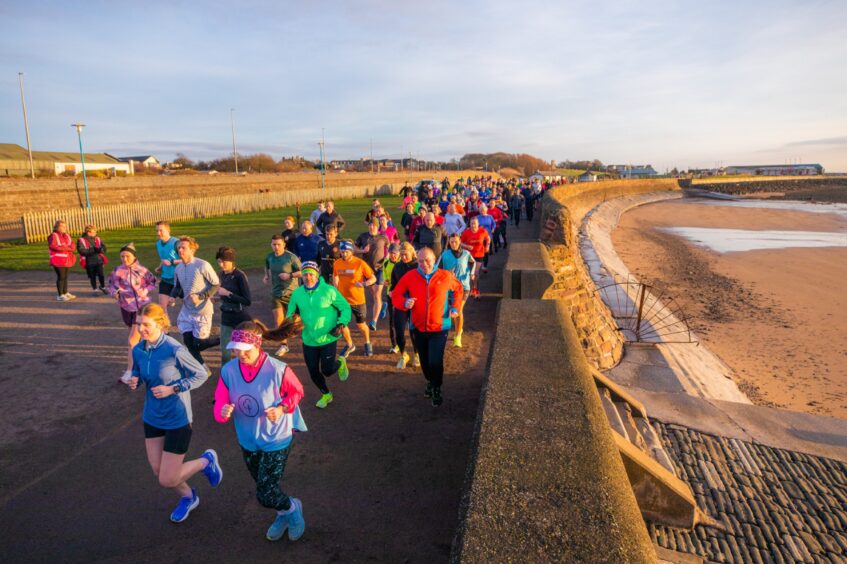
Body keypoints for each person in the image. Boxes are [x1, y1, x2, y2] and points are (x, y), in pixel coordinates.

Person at [128, 303, 223, 524]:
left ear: (160, 324)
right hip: (152, 417)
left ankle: (205, 462)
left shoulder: (174, 349)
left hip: (177, 419)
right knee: (158, 470)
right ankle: (189, 497)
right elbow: (139, 372)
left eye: (146, 325)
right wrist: (135, 379)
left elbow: (201, 374)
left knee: (167, 478)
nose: (141, 329)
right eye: (139, 324)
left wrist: (174, 388)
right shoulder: (138, 349)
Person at [214, 319, 307, 541]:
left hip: (276, 438)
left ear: (257, 345)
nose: (240, 354)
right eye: (236, 350)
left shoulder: (278, 369)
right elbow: (219, 402)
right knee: (265, 486)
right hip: (247, 439)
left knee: (265, 493)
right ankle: (283, 513)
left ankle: (293, 509)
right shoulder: (228, 370)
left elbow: (297, 392)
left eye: (244, 350)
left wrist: (283, 408)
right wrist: (223, 411)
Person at [391, 248, 464, 406]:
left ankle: (436, 387)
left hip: (440, 327)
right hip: (418, 328)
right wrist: (404, 302)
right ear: (417, 260)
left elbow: (458, 289)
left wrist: (455, 307)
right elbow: (396, 294)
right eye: (421, 260)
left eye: (428, 260)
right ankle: (430, 382)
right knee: (424, 362)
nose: (424, 264)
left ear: (435, 259)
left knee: (435, 361)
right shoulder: (409, 277)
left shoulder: (445, 276)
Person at [286, 261, 351, 408]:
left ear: (316, 275)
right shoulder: (297, 294)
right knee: (313, 372)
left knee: (327, 370)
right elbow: (290, 313)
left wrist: (341, 324)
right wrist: (291, 321)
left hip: (328, 337)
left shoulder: (329, 290)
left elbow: (345, 307)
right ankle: (326, 394)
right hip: (309, 339)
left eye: (311, 274)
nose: (308, 277)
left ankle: (341, 362)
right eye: (305, 274)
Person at [108, 242, 158, 384]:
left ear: (134, 256)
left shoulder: (142, 270)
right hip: (126, 308)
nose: (124, 259)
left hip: (141, 309)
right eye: (122, 256)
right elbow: (110, 285)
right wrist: (114, 293)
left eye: (127, 256)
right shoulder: (117, 271)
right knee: (141, 340)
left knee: (132, 341)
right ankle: (147, 363)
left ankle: (130, 371)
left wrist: (145, 290)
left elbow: (153, 282)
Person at [169, 236, 221, 371]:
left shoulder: (202, 265)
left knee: (199, 344)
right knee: (188, 343)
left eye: (183, 247)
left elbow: (215, 284)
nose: (180, 249)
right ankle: (204, 369)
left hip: (202, 311)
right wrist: (173, 297)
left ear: (192, 250)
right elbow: (177, 286)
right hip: (186, 310)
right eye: (179, 247)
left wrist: (201, 297)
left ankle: (223, 338)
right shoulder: (178, 268)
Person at [333, 240, 376, 357]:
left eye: (346, 251)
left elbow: (373, 278)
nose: (344, 254)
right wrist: (335, 290)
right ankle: (350, 344)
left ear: (351, 251)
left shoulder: (360, 263)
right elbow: (335, 276)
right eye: (342, 251)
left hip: (358, 300)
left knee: (361, 325)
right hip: (342, 300)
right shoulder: (337, 263)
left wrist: (364, 284)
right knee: (342, 324)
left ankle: (367, 342)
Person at [263, 234, 302, 356]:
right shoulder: (269, 257)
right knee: (278, 320)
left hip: (292, 294)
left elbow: (302, 272)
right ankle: (283, 345)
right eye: (274, 244)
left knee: (296, 321)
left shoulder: (291, 257)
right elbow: (267, 267)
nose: (276, 247)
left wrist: (289, 275)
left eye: (279, 244)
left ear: (284, 244)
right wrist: (266, 276)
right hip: (276, 294)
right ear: (271, 244)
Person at [215, 246, 252, 365]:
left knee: (244, 349)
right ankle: (226, 376)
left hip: (240, 318)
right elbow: (223, 295)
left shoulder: (239, 276)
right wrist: (216, 298)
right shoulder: (221, 275)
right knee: (225, 351)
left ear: (231, 261)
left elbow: (247, 300)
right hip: (226, 317)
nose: (221, 265)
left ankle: (248, 372)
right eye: (219, 262)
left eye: (224, 262)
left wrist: (228, 294)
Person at [439, 233, 475, 348]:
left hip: (464, 287)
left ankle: (458, 336)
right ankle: (459, 328)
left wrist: (472, 273)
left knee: (458, 310)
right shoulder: (444, 255)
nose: (453, 244)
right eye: (451, 242)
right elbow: (438, 270)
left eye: (456, 241)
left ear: (460, 241)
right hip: (450, 288)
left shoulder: (466, 254)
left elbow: (473, 263)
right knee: (453, 312)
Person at [355, 219, 389, 331]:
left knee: (377, 294)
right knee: (374, 293)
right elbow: (354, 249)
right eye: (370, 225)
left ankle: (374, 321)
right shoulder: (363, 237)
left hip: (379, 269)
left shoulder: (383, 237)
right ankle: (383, 304)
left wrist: (387, 255)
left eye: (374, 225)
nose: (371, 227)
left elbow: (388, 246)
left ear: (377, 226)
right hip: (367, 270)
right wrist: (362, 251)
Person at [389, 242, 419, 369]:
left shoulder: (418, 265)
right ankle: (403, 354)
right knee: (399, 331)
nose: (403, 257)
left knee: (414, 331)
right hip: (402, 302)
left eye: (405, 254)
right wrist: (391, 291)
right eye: (401, 255)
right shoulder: (397, 267)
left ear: (412, 252)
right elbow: (394, 284)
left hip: (416, 302)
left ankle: (417, 354)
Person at [460, 217, 490, 298]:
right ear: (469, 224)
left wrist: (487, 246)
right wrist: (466, 246)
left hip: (479, 255)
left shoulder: (482, 231)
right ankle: (472, 288)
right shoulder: (466, 232)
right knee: (470, 274)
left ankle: (475, 289)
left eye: (475, 224)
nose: (473, 225)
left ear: (478, 224)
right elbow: (460, 242)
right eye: (471, 223)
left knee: (476, 273)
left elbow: (488, 238)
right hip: (469, 256)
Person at [155, 221, 182, 310]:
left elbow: (187, 259)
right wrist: (160, 267)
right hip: (166, 278)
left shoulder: (176, 243)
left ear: (168, 231)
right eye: (157, 231)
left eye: (161, 230)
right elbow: (163, 258)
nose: (158, 233)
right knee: (162, 307)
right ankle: (167, 324)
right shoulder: (158, 244)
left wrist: (172, 261)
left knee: (189, 305)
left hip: (179, 279)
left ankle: (173, 297)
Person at [48, 219, 76, 301]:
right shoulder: (53, 236)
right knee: (61, 277)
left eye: (65, 226)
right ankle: (60, 295)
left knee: (65, 277)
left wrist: (67, 248)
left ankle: (65, 292)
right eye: (62, 226)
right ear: (57, 227)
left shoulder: (67, 235)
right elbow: (54, 246)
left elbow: (73, 245)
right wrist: (67, 248)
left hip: (67, 259)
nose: (64, 228)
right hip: (58, 260)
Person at [76, 224, 108, 295]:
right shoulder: (81, 240)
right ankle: (95, 289)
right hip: (89, 261)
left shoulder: (98, 239)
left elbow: (104, 248)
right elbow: (81, 251)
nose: (95, 233)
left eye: (95, 232)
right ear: (88, 232)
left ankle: (102, 287)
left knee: (101, 274)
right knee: (92, 276)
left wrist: (101, 250)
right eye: (93, 232)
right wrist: (93, 250)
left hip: (99, 260)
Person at [382, 243, 401, 353]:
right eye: (391, 253)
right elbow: (385, 276)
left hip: (403, 295)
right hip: (391, 294)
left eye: (395, 253)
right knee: (392, 320)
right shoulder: (385, 263)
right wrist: (385, 281)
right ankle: (395, 345)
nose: (393, 255)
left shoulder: (402, 263)